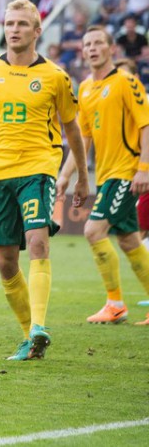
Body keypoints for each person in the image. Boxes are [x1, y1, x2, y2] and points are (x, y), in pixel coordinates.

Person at [0, 0, 89, 362]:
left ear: (37, 31)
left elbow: (73, 129)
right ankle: (29, 337)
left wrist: (81, 176)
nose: (14, 29)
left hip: (38, 168)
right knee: (6, 261)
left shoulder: (55, 77)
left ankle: (39, 325)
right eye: (10, 23)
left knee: (38, 242)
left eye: (22, 24)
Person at [56, 27, 149, 325]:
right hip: (106, 175)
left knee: (93, 231)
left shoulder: (126, 81)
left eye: (98, 43)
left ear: (112, 49)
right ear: (82, 51)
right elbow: (82, 140)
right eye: (87, 44)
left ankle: (115, 304)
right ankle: (117, 305)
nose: (92, 48)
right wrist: (65, 175)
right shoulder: (84, 89)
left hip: (126, 171)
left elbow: (146, 124)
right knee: (130, 241)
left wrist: (144, 168)